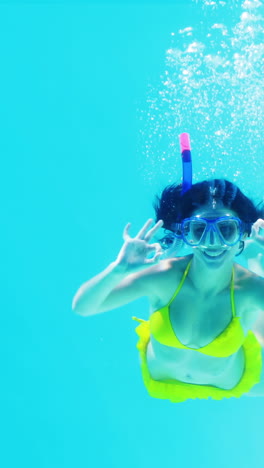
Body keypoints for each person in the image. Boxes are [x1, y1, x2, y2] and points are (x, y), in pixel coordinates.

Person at [72, 179, 264, 402]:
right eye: (200, 230)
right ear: (186, 234)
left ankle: (257, 260)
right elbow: (83, 307)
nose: (213, 242)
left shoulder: (252, 289)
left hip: (233, 381)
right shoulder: (164, 277)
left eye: (226, 229)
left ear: (243, 233)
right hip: (164, 383)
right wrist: (118, 270)